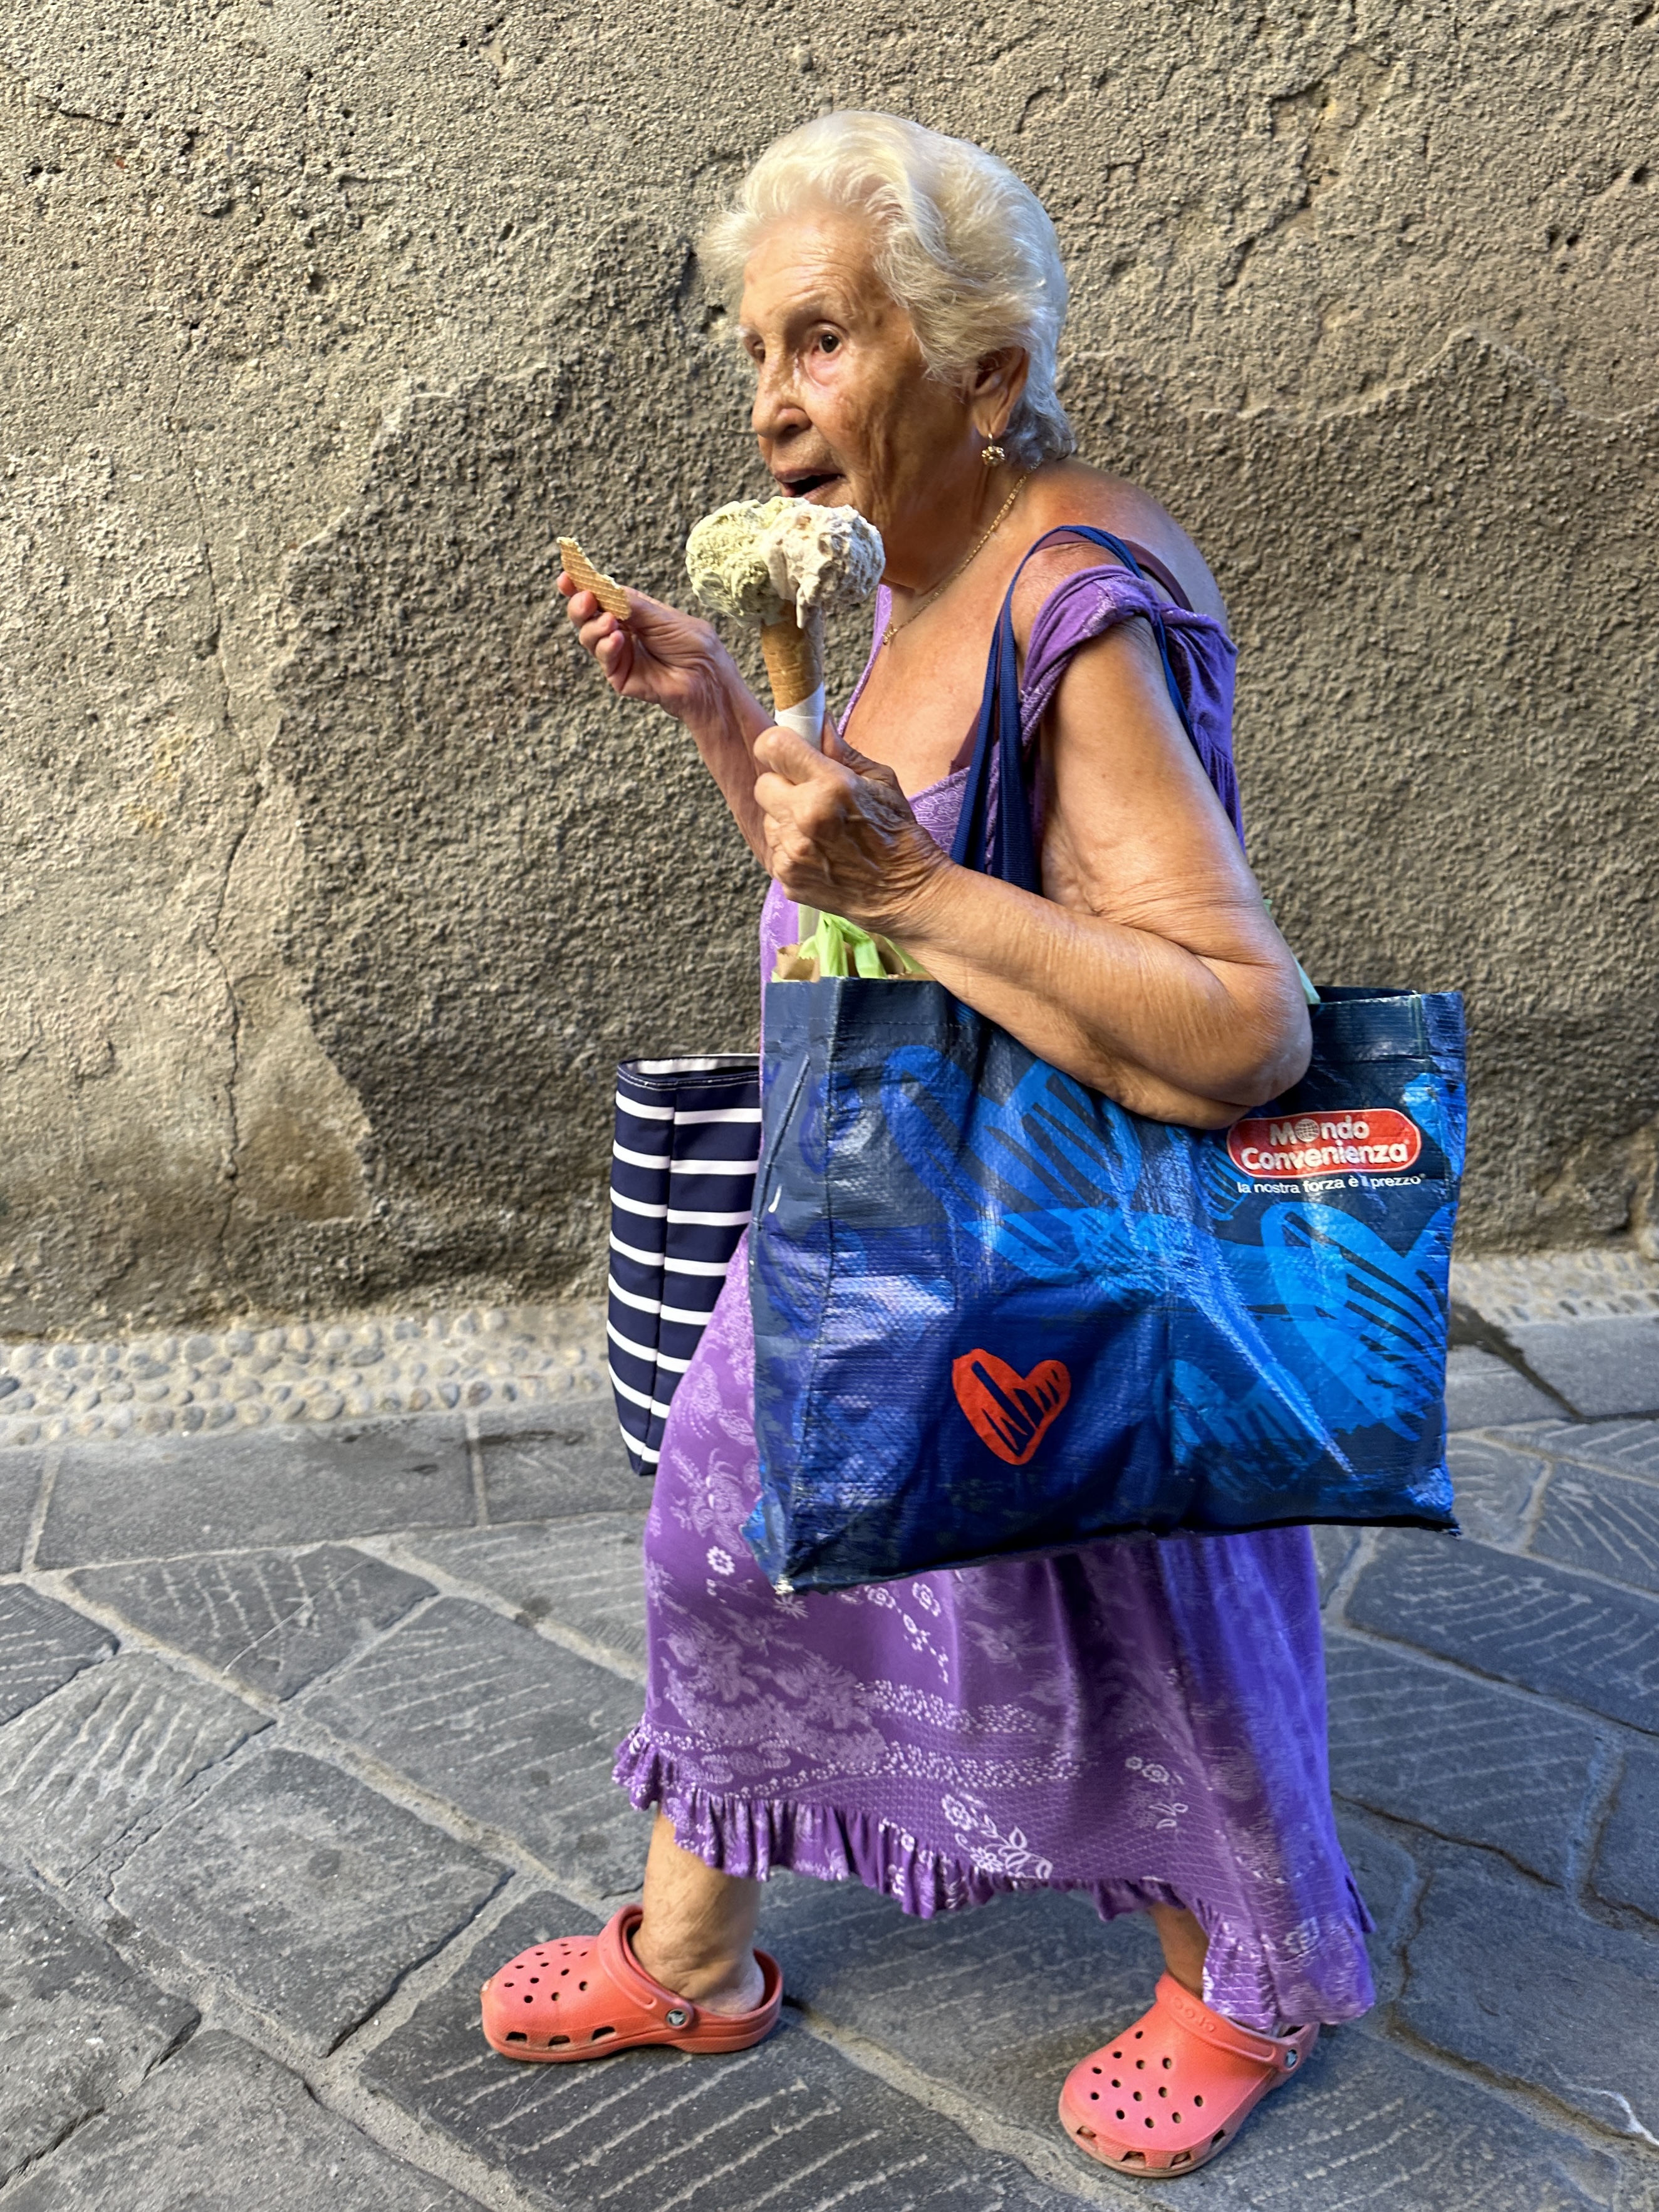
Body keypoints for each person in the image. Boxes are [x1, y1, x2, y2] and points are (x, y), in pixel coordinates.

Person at [480, 111, 1373, 2181]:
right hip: (880, 1199)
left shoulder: (1081, 608)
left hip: (1053, 1241)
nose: (774, 399)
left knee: (1125, 1607)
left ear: (980, 375)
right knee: (728, 1522)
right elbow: (862, 895)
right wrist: (724, 713)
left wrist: (898, 864)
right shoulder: (908, 559)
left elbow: (1246, 1025)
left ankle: (1250, 1967)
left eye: (823, 341)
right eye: (755, 346)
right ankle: (696, 1952)